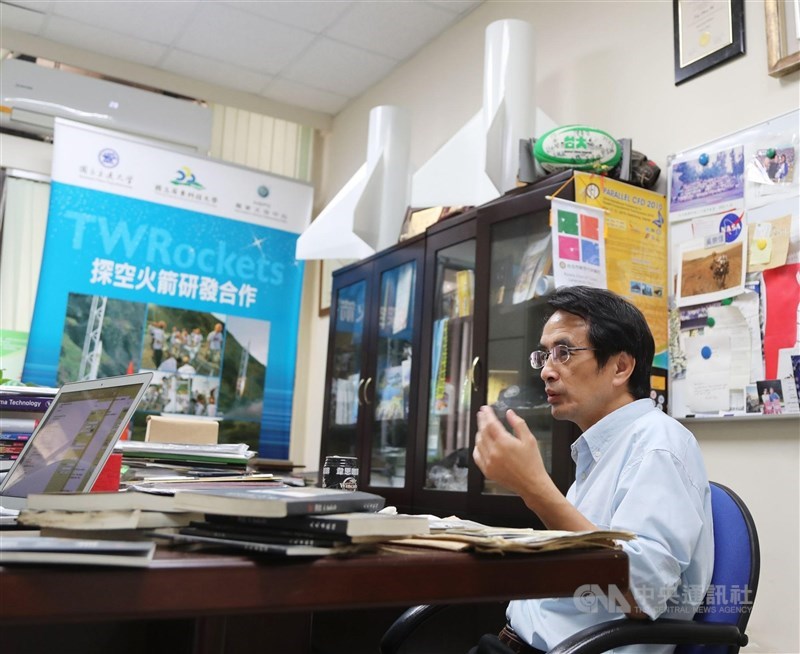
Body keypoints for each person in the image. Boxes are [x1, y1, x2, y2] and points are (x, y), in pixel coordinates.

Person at [470, 286, 714, 654]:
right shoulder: (599, 449)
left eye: (564, 352)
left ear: (620, 366)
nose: (546, 372)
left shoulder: (657, 445)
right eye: (545, 355)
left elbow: (641, 593)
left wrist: (536, 490)